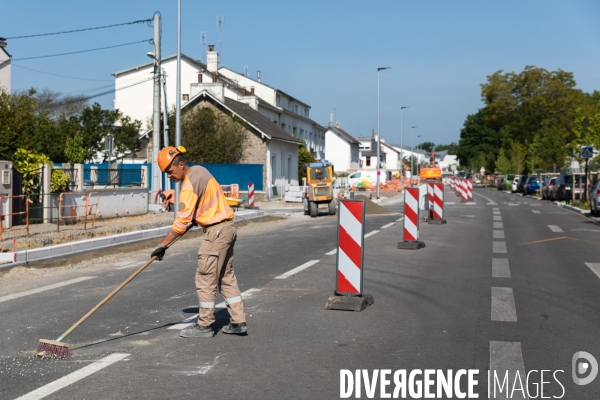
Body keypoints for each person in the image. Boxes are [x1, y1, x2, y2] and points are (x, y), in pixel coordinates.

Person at [151, 146, 247, 338]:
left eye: (170, 172)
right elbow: (201, 207)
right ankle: (238, 322)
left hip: (216, 233)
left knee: (205, 278)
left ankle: (204, 326)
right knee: (225, 277)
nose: (169, 176)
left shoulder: (188, 185)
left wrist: (163, 246)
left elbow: (181, 222)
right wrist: (193, 218)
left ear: (180, 164)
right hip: (227, 228)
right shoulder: (201, 171)